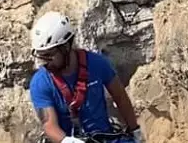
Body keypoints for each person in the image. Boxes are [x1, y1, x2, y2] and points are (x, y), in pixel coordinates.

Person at [28, 11, 145, 143]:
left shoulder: (97, 64)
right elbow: (49, 125)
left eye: (49, 55)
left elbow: (120, 97)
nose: (44, 61)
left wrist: (135, 131)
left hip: (104, 138)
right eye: (41, 55)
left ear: (65, 47)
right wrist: (68, 141)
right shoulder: (40, 83)